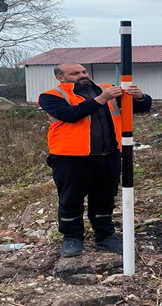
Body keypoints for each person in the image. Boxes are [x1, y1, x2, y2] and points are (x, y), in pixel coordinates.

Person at [38, 63, 152, 258]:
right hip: (70, 158)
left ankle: (105, 235)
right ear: (60, 77)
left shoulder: (107, 89)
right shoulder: (51, 96)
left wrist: (140, 97)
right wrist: (101, 99)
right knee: (70, 199)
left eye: (83, 71)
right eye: (75, 73)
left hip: (108, 155)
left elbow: (141, 108)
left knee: (104, 198)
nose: (82, 75)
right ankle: (72, 237)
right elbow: (70, 115)